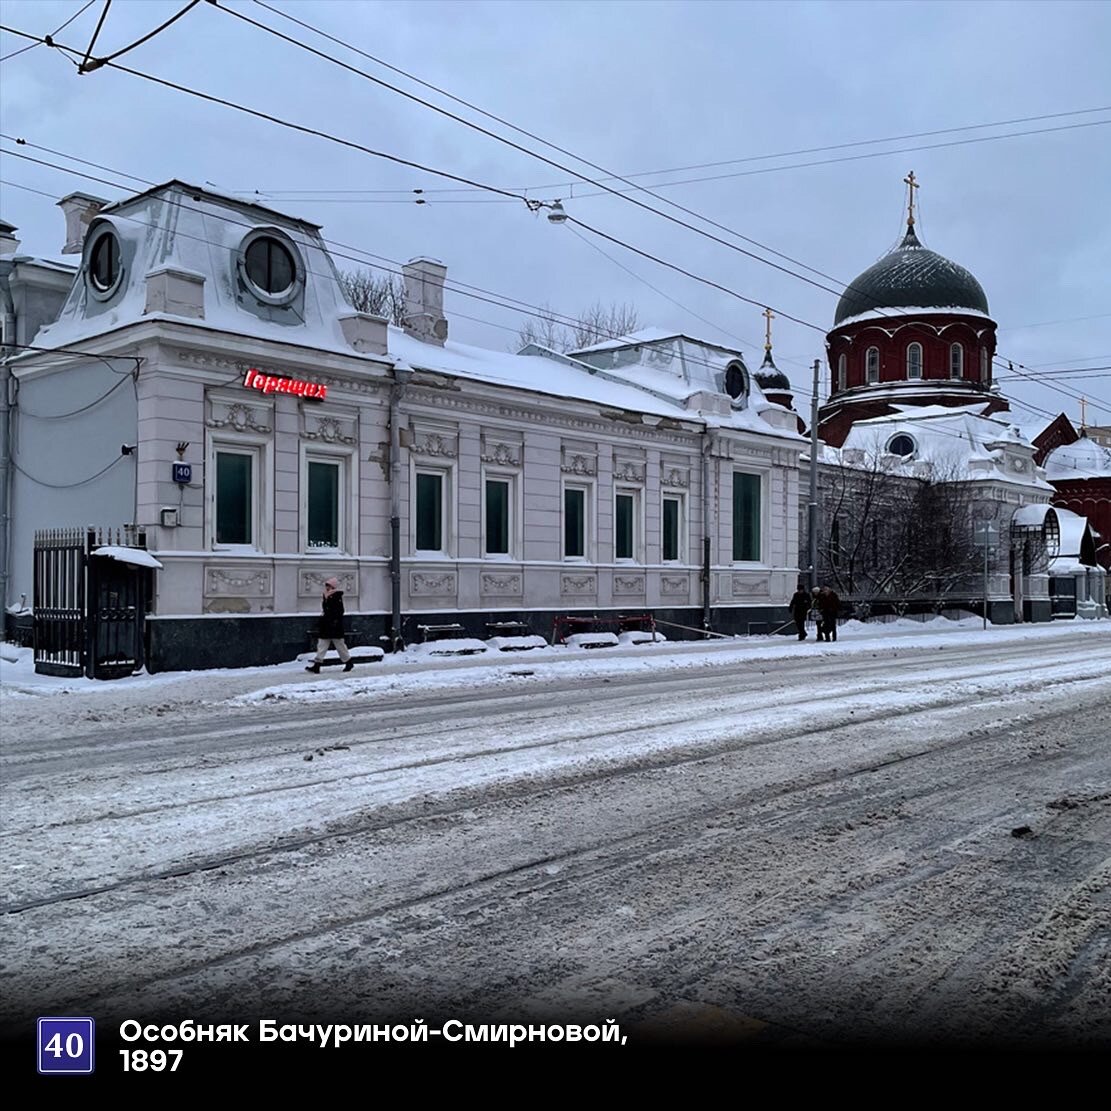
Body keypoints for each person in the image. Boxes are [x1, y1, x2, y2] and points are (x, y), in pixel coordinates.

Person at [306, 578, 354, 673]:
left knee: (340, 645)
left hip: (334, 626)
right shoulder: (326, 596)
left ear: (332, 586)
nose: (326, 587)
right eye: (326, 585)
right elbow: (326, 610)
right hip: (326, 625)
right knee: (322, 645)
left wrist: (334, 620)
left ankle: (348, 662)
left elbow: (340, 611)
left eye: (328, 585)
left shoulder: (336, 596)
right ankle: (317, 664)